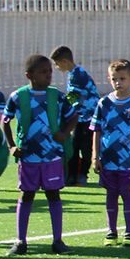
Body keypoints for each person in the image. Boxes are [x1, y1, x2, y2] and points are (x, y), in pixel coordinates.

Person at [1, 54, 79, 255]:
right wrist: (11, 145)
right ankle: (20, 241)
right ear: (30, 75)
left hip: (52, 156)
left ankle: (58, 240)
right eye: (43, 72)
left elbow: (73, 116)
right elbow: (5, 121)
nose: (48, 75)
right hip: (28, 157)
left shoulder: (58, 96)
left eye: (50, 71)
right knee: (27, 195)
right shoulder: (18, 97)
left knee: (54, 194)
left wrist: (64, 133)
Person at [90, 59, 130, 245]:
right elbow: (97, 130)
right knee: (111, 194)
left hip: (128, 160)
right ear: (109, 78)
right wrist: (95, 156)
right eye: (114, 79)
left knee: (128, 193)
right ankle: (111, 231)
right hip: (108, 160)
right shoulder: (104, 103)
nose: (118, 82)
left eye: (122, 78)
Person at [50, 46, 97, 186]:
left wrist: (62, 108)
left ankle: (82, 175)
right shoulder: (73, 73)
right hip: (80, 117)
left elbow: (72, 97)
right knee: (74, 146)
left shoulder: (78, 74)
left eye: (57, 64)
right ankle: (72, 175)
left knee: (86, 147)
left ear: (64, 61)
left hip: (87, 117)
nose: (57, 67)